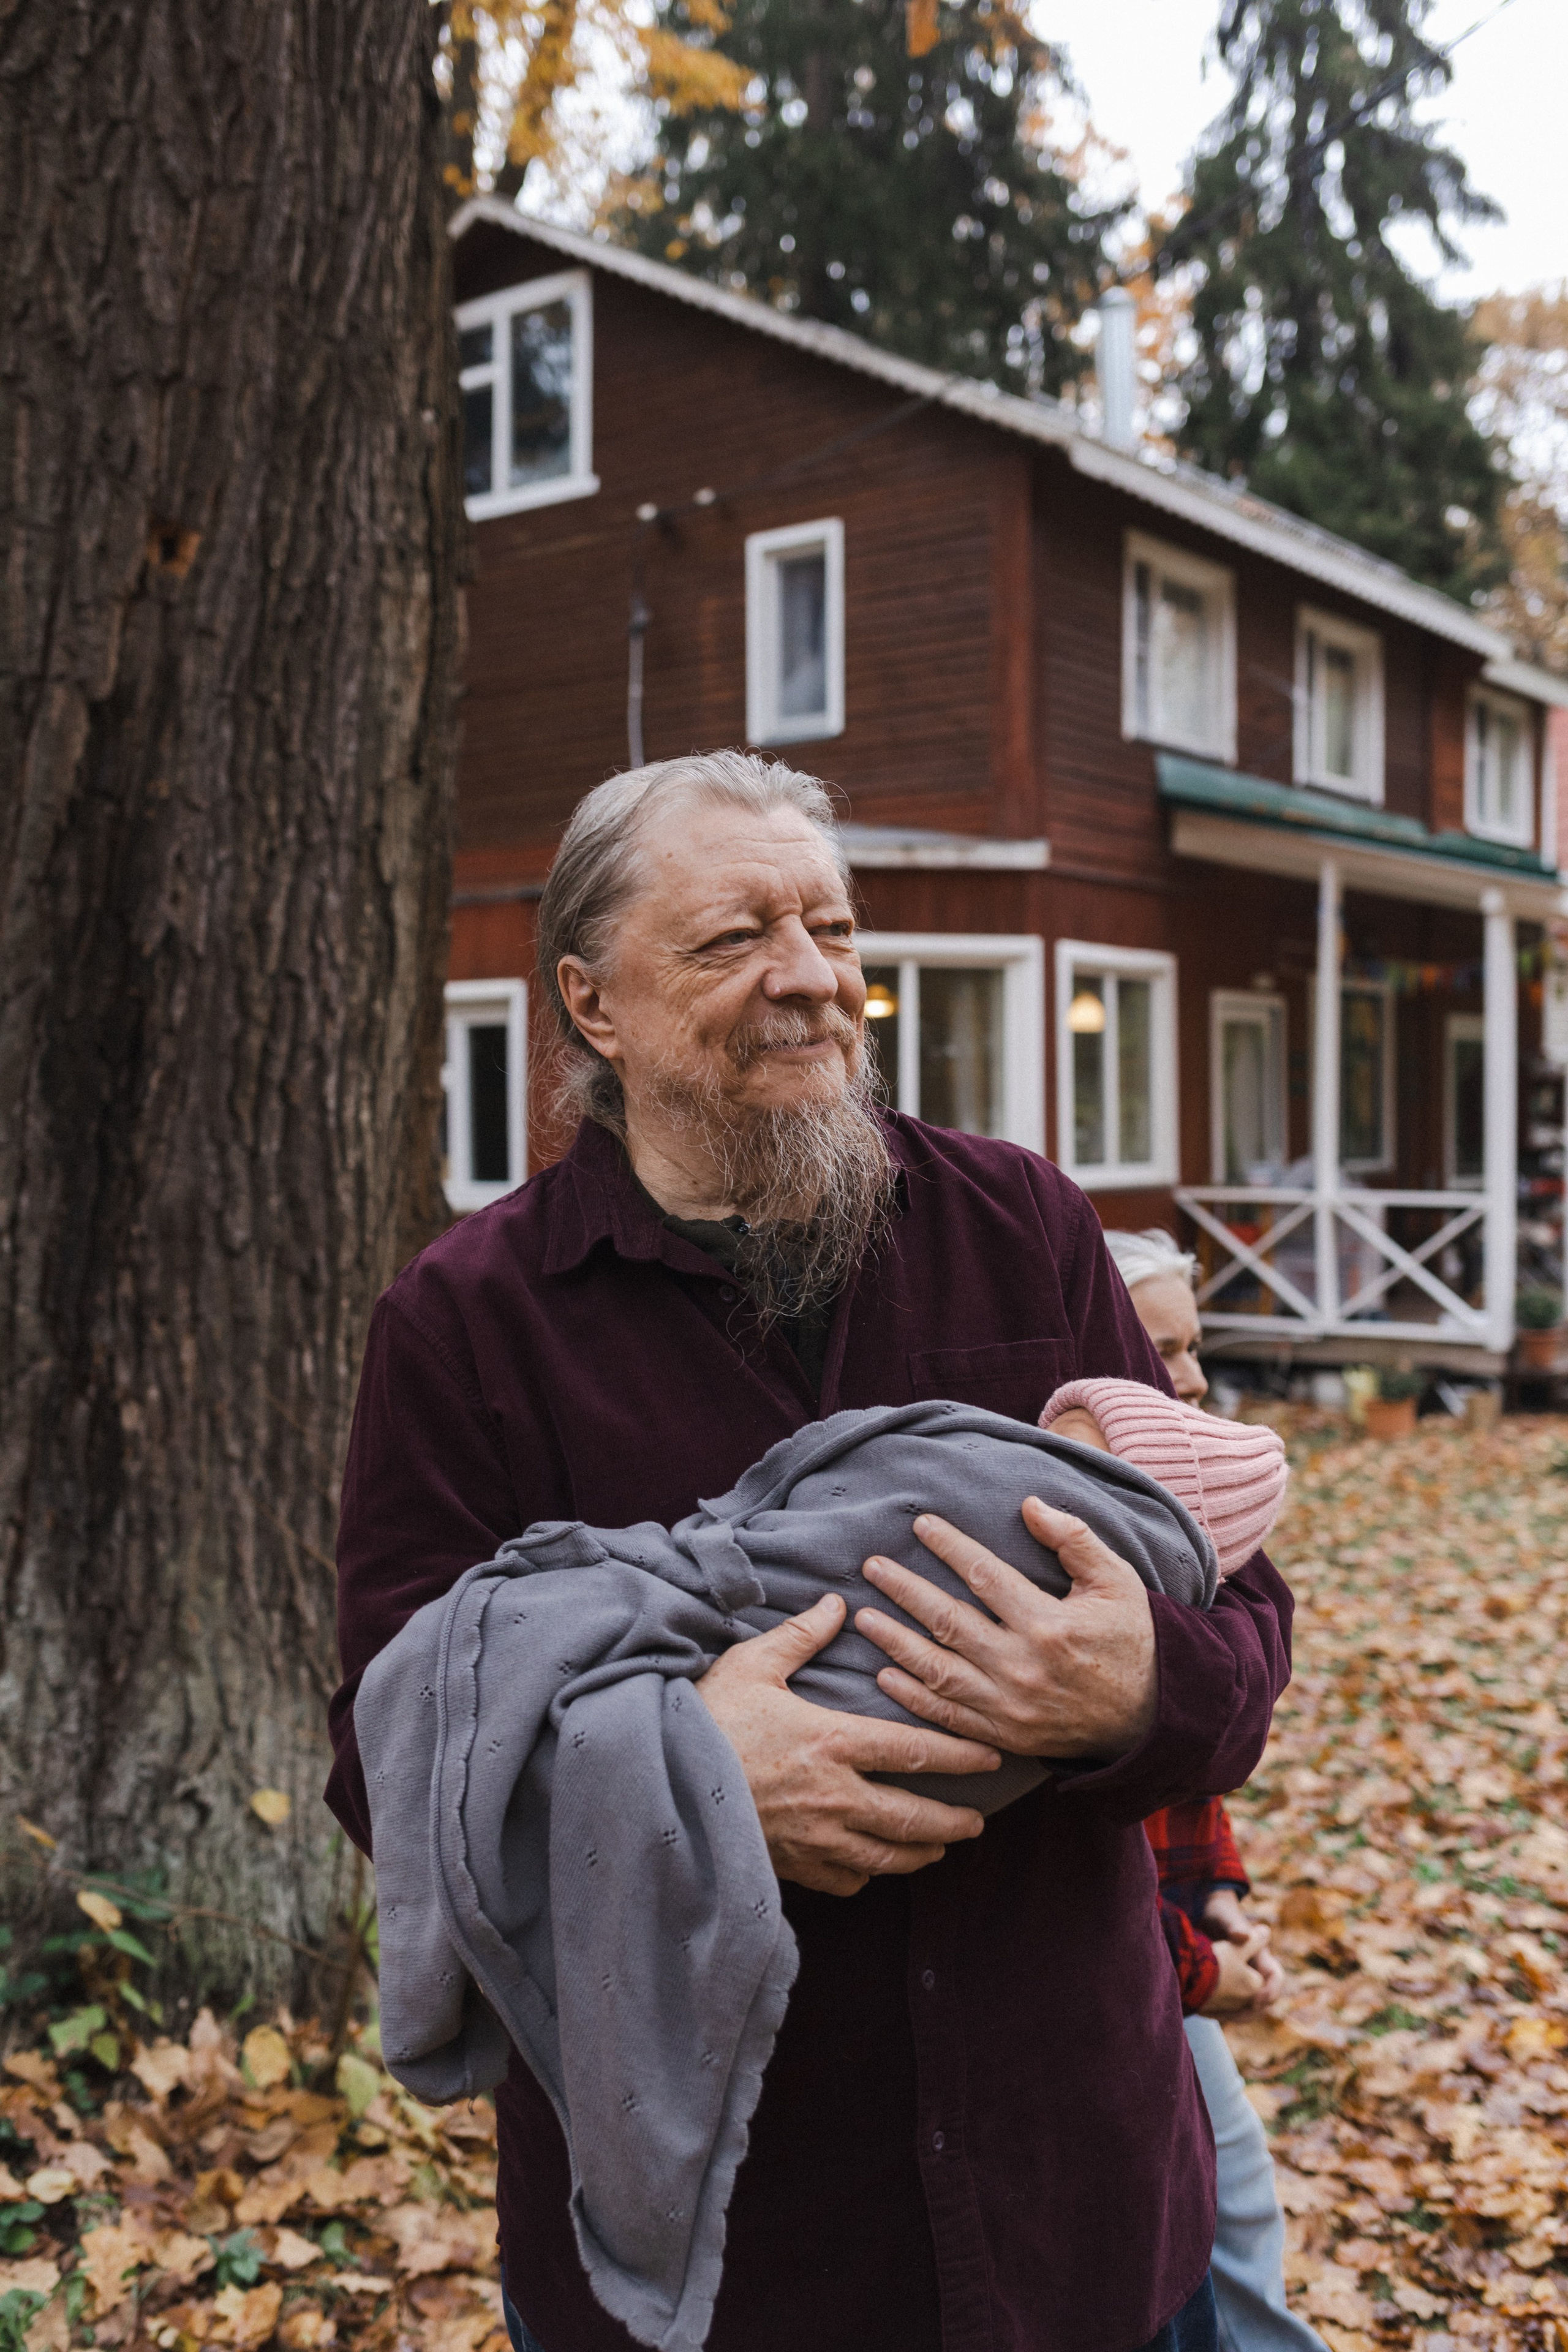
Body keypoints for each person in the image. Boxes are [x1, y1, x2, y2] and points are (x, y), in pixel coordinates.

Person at [328, 753, 1294, 2352]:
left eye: (831, 931)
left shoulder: (1027, 1229)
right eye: (732, 940)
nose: (809, 979)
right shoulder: (467, 1327)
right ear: (592, 1004)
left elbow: (1240, 1623)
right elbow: (394, 1755)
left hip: (1079, 2209)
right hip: (743, 2261)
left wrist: (1132, 1683)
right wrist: (685, 1778)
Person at [1103, 1229, 1328, 2352]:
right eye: (1161, 1352)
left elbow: (1182, 1781)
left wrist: (1220, 1899)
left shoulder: (1185, 1540)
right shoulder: (1087, 1556)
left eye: (1195, 1349)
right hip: (1105, 1976)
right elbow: (1086, 1838)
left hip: (1167, 1952)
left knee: (1231, 2202)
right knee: (1208, 2216)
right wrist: (1206, 1974)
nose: (1190, 1380)